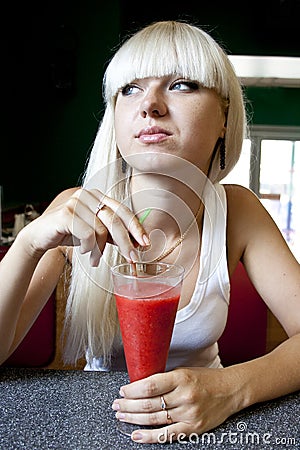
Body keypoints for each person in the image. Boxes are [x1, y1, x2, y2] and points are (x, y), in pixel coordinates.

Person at [0, 20, 299, 444]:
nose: (151, 105)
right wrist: (30, 241)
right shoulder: (75, 207)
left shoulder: (239, 211)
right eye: (130, 88)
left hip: (211, 425)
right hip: (100, 423)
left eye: (181, 85)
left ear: (223, 119)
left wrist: (232, 389)